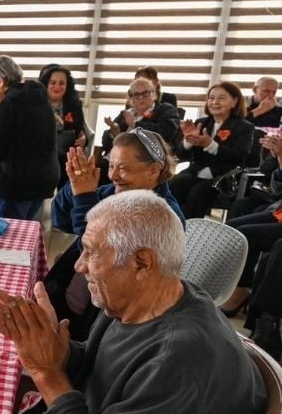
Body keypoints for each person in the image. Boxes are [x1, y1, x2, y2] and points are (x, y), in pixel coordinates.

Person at [0, 190, 266, 414]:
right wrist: (57, 350)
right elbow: (105, 373)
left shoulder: (179, 362)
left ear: (141, 263)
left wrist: (48, 373)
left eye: (91, 253)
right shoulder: (145, 300)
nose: (79, 266)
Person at [46, 129, 185, 340]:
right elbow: (60, 220)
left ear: (154, 170)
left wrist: (84, 197)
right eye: (111, 166)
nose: (113, 175)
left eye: (123, 168)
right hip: (73, 289)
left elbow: (97, 253)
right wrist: (74, 185)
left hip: (106, 314)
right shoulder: (114, 192)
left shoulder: (164, 215)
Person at [0, 55, 59, 219]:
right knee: (24, 232)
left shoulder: (10, 103)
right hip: (44, 178)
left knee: (7, 236)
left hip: (18, 183)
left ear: (0, 81)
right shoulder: (40, 98)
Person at [170, 81, 255, 219]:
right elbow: (181, 154)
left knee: (197, 194)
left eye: (221, 98)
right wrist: (188, 140)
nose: (215, 102)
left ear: (234, 102)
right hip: (196, 171)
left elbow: (239, 156)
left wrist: (211, 144)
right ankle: (169, 228)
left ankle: (192, 234)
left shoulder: (244, 127)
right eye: (211, 98)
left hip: (222, 178)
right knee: (172, 185)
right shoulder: (201, 123)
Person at [99, 77, 181, 186]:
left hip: (146, 159)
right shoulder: (126, 114)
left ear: (154, 94)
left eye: (145, 93)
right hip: (118, 160)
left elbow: (166, 131)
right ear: (131, 98)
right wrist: (114, 132)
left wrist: (135, 124)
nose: (141, 97)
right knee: (100, 168)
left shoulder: (165, 110)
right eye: (136, 95)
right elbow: (105, 145)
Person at [38, 64, 88, 189]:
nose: (57, 86)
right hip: (41, 154)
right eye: (53, 82)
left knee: (70, 174)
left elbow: (80, 128)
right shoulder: (36, 103)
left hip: (65, 154)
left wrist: (83, 138)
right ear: (46, 84)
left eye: (61, 83)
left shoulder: (74, 103)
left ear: (67, 86)